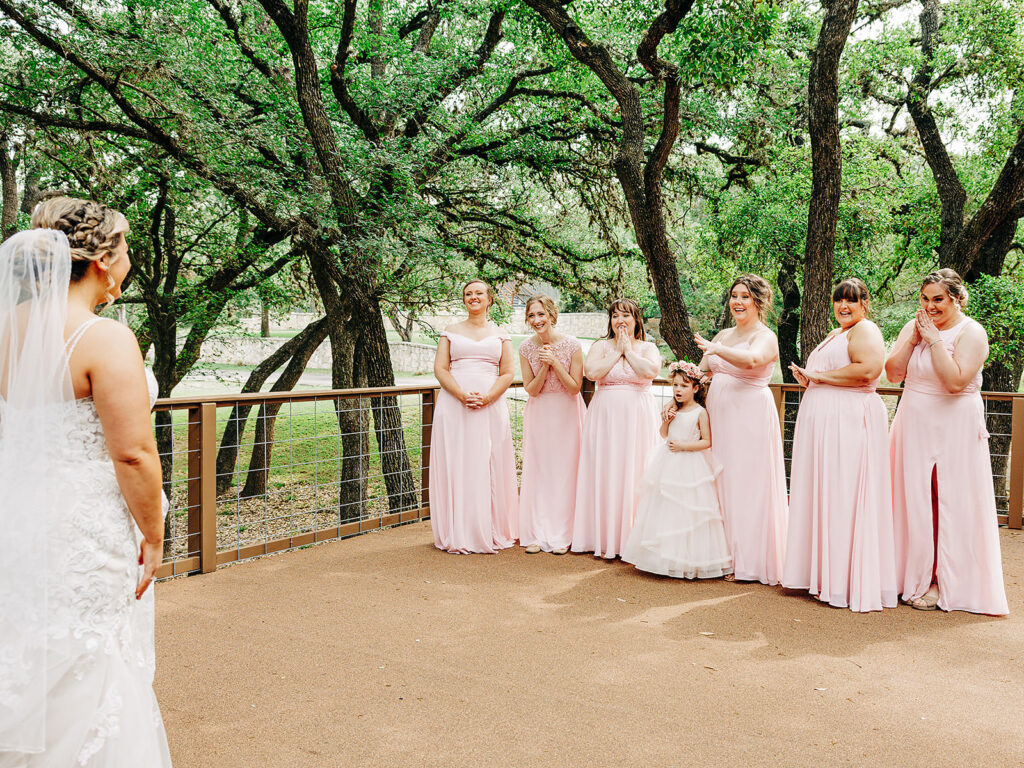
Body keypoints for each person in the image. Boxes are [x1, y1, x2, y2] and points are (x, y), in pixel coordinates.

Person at [0, 198, 172, 765]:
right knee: (92, 658)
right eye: (125, 248)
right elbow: (133, 455)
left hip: (18, 511)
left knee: (30, 648)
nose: (129, 260)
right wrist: (153, 534)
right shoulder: (103, 338)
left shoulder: (6, 329)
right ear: (102, 259)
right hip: (85, 525)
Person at [885, 269, 1008, 614]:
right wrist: (913, 339)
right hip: (913, 423)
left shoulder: (972, 332)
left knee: (946, 500)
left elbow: (955, 381)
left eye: (938, 299)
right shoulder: (915, 328)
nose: (930, 306)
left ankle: (942, 580)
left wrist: (936, 340)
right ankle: (907, 574)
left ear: (956, 297)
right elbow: (893, 374)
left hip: (953, 426)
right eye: (925, 299)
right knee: (911, 499)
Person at [782, 279, 898, 612]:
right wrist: (810, 378)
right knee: (824, 492)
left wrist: (820, 377)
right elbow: (833, 370)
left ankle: (843, 580)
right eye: (838, 300)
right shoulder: (837, 333)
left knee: (843, 491)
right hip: (825, 421)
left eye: (851, 301)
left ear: (865, 303)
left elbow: (869, 370)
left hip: (847, 422)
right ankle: (819, 574)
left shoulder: (867, 330)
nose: (843, 306)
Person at [690, 274, 788, 584]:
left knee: (747, 482)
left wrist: (717, 350)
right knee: (721, 479)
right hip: (720, 416)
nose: (738, 301)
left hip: (750, 417)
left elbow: (753, 360)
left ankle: (748, 560)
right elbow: (702, 370)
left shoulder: (765, 336)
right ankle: (720, 554)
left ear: (758, 301)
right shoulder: (721, 335)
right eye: (734, 295)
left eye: (745, 296)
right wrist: (684, 377)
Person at [429, 279, 518, 553]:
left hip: (490, 405)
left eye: (479, 293)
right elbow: (441, 369)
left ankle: (489, 527)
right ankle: (458, 529)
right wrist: (460, 394)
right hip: (455, 405)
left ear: (489, 298)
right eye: (468, 294)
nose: (473, 297)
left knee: (488, 461)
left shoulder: (501, 334)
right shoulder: (450, 332)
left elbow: (507, 373)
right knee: (458, 460)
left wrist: (489, 396)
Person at [622, 362, 732, 579]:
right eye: (675, 385)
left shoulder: (700, 412)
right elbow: (664, 434)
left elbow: (707, 442)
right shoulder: (674, 409)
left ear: (696, 389)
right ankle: (663, 557)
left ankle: (688, 560)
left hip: (690, 464)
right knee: (665, 508)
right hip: (668, 462)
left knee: (688, 509)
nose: (678, 390)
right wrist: (667, 420)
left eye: (684, 385)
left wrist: (684, 446)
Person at [571, 298, 660, 559]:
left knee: (637, 469)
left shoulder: (648, 347)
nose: (620, 320)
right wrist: (616, 352)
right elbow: (592, 373)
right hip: (605, 417)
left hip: (638, 417)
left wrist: (628, 351)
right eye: (615, 316)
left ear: (636, 320)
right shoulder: (600, 346)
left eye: (626, 316)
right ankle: (602, 536)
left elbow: (649, 372)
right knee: (606, 469)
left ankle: (633, 539)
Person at [518, 295, 585, 555]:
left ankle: (563, 534)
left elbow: (574, 387)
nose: (536, 320)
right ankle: (537, 532)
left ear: (551, 315)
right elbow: (531, 390)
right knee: (540, 470)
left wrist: (555, 362)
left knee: (565, 470)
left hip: (567, 412)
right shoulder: (525, 348)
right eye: (532, 316)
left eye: (541, 314)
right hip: (540, 411)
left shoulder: (572, 345)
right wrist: (544, 368)